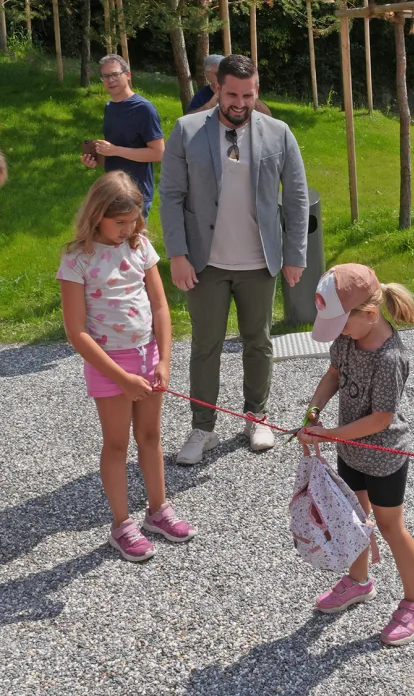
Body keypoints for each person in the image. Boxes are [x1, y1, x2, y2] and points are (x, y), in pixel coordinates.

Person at [160, 54, 309, 465]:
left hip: (259, 263)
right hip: (204, 263)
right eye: (232, 95)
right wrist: (177, 255)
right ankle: (202, 428)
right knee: (205, 346)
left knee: (258, 342)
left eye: (248, 95)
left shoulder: (279, 133)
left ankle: (255, 417)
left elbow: (296, 198)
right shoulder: (187, 130)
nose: (240, 103)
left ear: (256, 91)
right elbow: (170, 196)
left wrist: (295, 254)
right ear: (217, 89)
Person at [57, 171, 196, 562]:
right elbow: (76, 331)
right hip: (108, 365)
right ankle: (121, 524)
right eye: (119, 222)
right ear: (97, 215)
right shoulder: (76, 259)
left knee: (151, 436)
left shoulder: (140, 247)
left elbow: (160, 306)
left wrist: (164, 360)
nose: (128, 229)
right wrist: (121, 377)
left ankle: (158, 510)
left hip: (147, 355)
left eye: (133, 220)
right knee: (117, 443)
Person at [298, 263, 414, 647]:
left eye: (341, 324)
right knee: (354, 520)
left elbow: (380, 419)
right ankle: (359, 581)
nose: (339, 332)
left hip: (383, 458)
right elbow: (333, 374)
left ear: (370, 314)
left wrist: (328, 434)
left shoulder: (390, 358)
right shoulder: (347, 339)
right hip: (351, 450)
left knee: (391, 529)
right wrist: (313, 412)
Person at [80, 55, 164, 221]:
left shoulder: (144, 109)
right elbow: (117, 148)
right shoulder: (110, 107)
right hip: (113, 191)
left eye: (115, 74)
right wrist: (96, 158)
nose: (110, 80)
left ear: (128, 75)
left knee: (133, 238)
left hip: (136, 194)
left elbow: (158, 153)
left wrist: (115, 150)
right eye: (105, 76)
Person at [187, 53, 273, 117]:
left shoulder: (245, 94)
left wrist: (250, 98)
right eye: (218, 73)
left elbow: (268, 117)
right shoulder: (202, 95)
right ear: (207, 75)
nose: (223, 76)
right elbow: (189, 119)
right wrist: (209, 106)